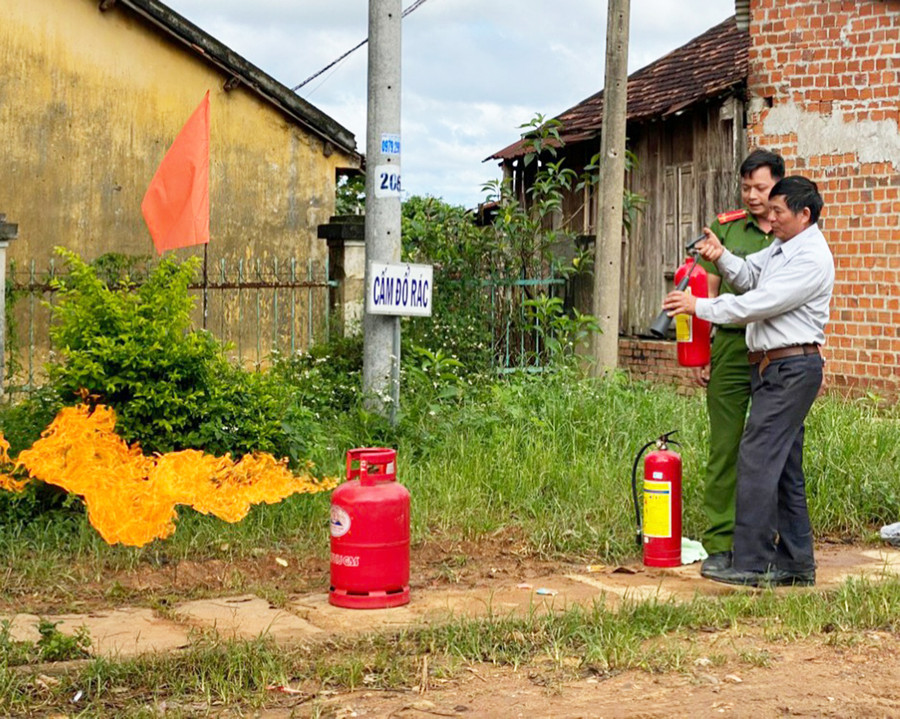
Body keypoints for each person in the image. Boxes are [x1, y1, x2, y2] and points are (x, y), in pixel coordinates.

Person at [662, 176, 834, 587]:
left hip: (792, 368)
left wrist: (699, 306)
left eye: (778, 212)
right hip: (775, 368)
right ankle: (796, 564)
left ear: (804, 215)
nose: (769, 219)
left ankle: (751, 563)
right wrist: (721, 256)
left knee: (755, 459)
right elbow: (750, 275)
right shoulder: (782, 247)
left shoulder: (811, 257)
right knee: (786, 467)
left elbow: (761, 302)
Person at [695, 150, 784, 578]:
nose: (752, 195)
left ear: (778, 187)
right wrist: (700, 352)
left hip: (777, 353)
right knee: (725, 448)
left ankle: (772, 540)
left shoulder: (796, 231)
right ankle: (720, 541)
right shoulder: (726, 230)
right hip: (731, 349)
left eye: (761, 188)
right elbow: (704, 294)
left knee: (775, 450)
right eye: (746, 187)